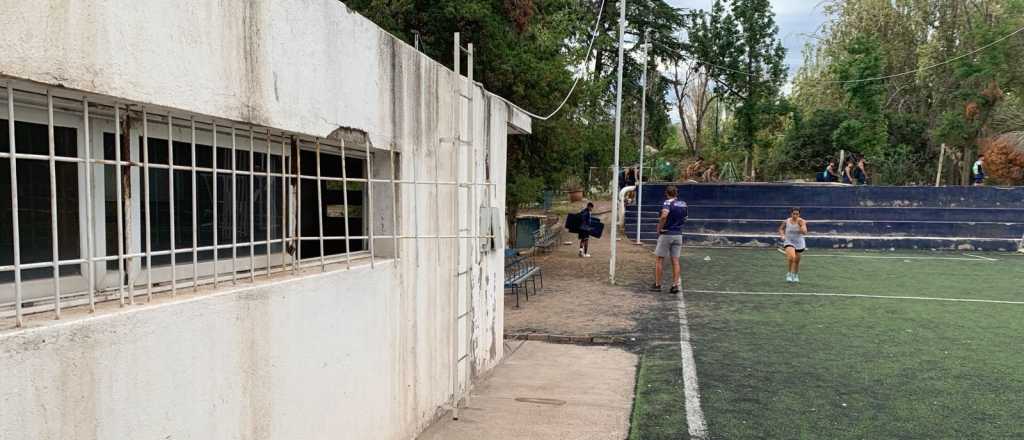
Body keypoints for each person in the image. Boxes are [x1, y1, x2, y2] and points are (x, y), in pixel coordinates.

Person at [651, 186, 687, 294]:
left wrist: (659, 228)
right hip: (678, 234)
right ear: (676, 193)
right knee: (675, 261)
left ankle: (657, 284)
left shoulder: (667, 203)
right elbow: (685, 218)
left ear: (666, 193)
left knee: (659, 259)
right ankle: (675, 285)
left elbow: (664, 215)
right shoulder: (683, 204)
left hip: (666, 233)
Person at [778, 207, 808, 283]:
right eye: (793, 214)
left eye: (797, 214)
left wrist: (802, 226)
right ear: (791, 214)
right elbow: (781, 229)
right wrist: (782, 236)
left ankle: (795, 275)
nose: (795, 215)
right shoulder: (786, 221)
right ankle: (789, 274)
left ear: (799, 214)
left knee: (797, 261)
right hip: (788, 241)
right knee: (792, 257)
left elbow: (805, 232)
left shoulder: (801, 221)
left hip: (799, 243)